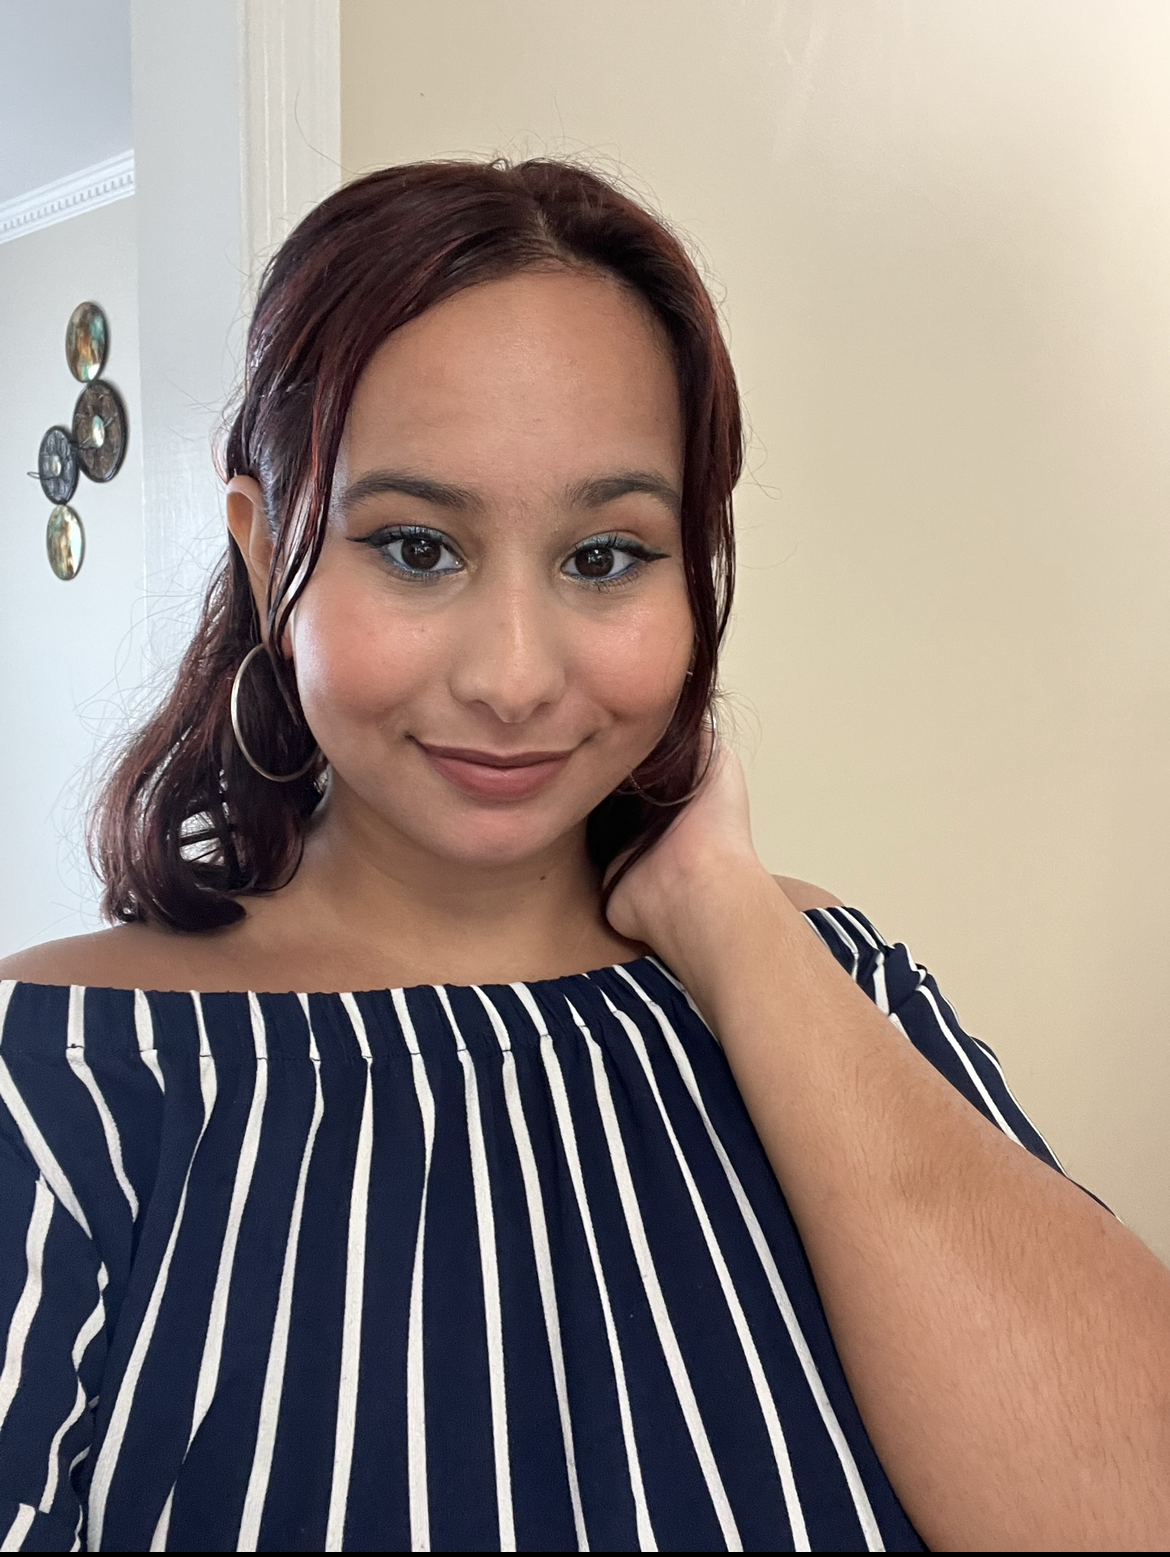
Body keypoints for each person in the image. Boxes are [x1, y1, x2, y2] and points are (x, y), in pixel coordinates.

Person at [0, 159, 1167, 1555]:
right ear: (267, 553)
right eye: (417, 547)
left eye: (605, 558)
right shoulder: (56, 1082)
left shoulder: (837, 983)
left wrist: (726, 916)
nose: (511, 676)